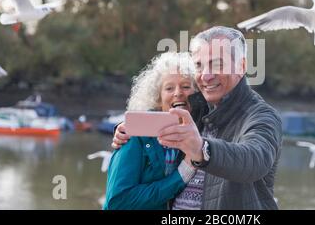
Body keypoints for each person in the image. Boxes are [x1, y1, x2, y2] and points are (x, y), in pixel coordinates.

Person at [113, 26, 283, 210]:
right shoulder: (196, 107)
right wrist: (127, 128)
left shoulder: (262, 116)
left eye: (217, 64)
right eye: (199, 65)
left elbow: (255, 159)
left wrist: (202, 149)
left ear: (241, 66)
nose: (206, 76)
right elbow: (161, 111)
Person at [104, 52, 197, 210]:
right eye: (169, 88)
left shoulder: (199, 135)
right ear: (158, 98)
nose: (178, 93)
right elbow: (118, 202)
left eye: (186, 86)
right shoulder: (133, 134)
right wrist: (182, 174)